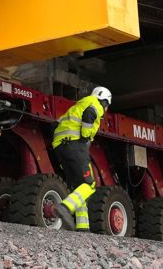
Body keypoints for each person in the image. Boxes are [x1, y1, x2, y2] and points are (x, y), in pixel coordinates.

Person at [51, 86, 112, 231]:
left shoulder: (78, 105)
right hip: (75, 145)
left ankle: (83, 227)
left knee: (79, 188)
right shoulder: (95, 104)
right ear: (105, 101)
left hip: (60, 146)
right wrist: (85, 136)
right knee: (89, 185)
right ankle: (65, 207)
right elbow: (90, 114)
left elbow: (55, 124)